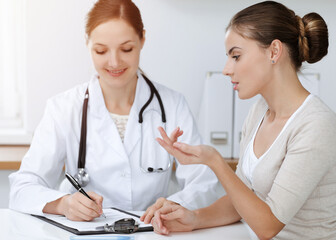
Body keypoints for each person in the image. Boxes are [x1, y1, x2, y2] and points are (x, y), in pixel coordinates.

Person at [9, 0, 223, 222]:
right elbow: (22, 187)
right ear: (87, 44)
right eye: (101, 50)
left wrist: (178, 204)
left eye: (126, 49)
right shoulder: (64, 108)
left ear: (142, 40)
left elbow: (203, 183)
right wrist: (64, 204)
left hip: (152, 232)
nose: (114, 62)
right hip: (84, 235)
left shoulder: (173, 105)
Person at [151, 1, 336, 239]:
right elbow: (241, 200)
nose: (226, 69)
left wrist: (214, 161)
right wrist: (193, 218)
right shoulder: (259, 112)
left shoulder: (316, 125)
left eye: (236, 56)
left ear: (274, 51)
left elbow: (267, 226)